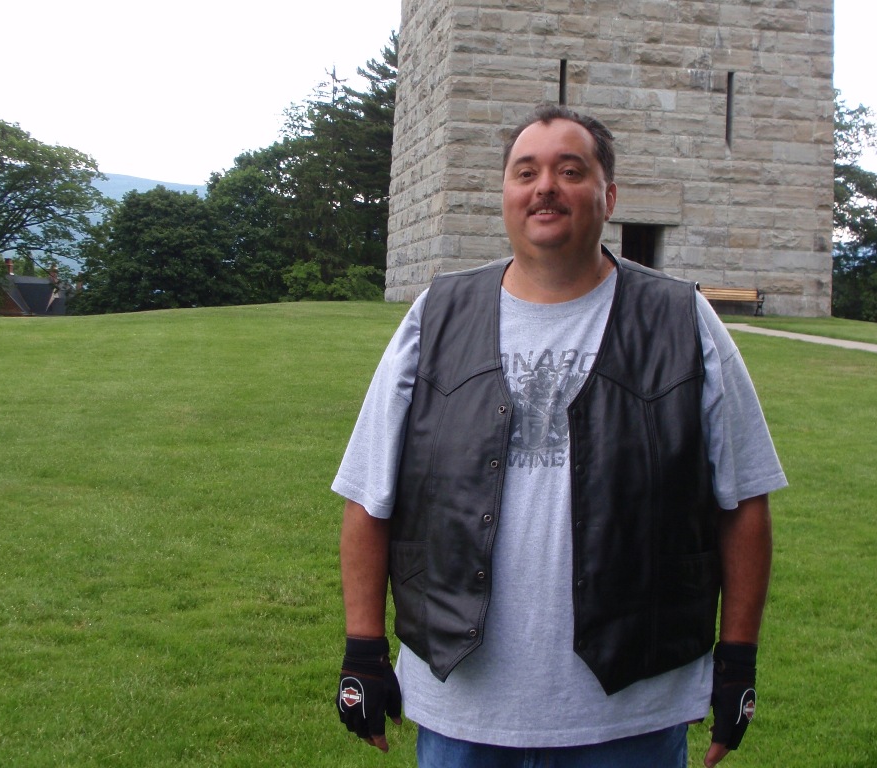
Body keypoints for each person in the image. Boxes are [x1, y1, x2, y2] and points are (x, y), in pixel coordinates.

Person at [333, 104, 785, 767]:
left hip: (631, 712)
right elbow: (368, 492)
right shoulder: (437, 316)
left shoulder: (681, 319)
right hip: (463, 709)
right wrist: (363, 651)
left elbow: (744, 501)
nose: (545, 186)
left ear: (609, 196)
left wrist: (738, 660)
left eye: (570, 171)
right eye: (526, 172)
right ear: (506, 195)